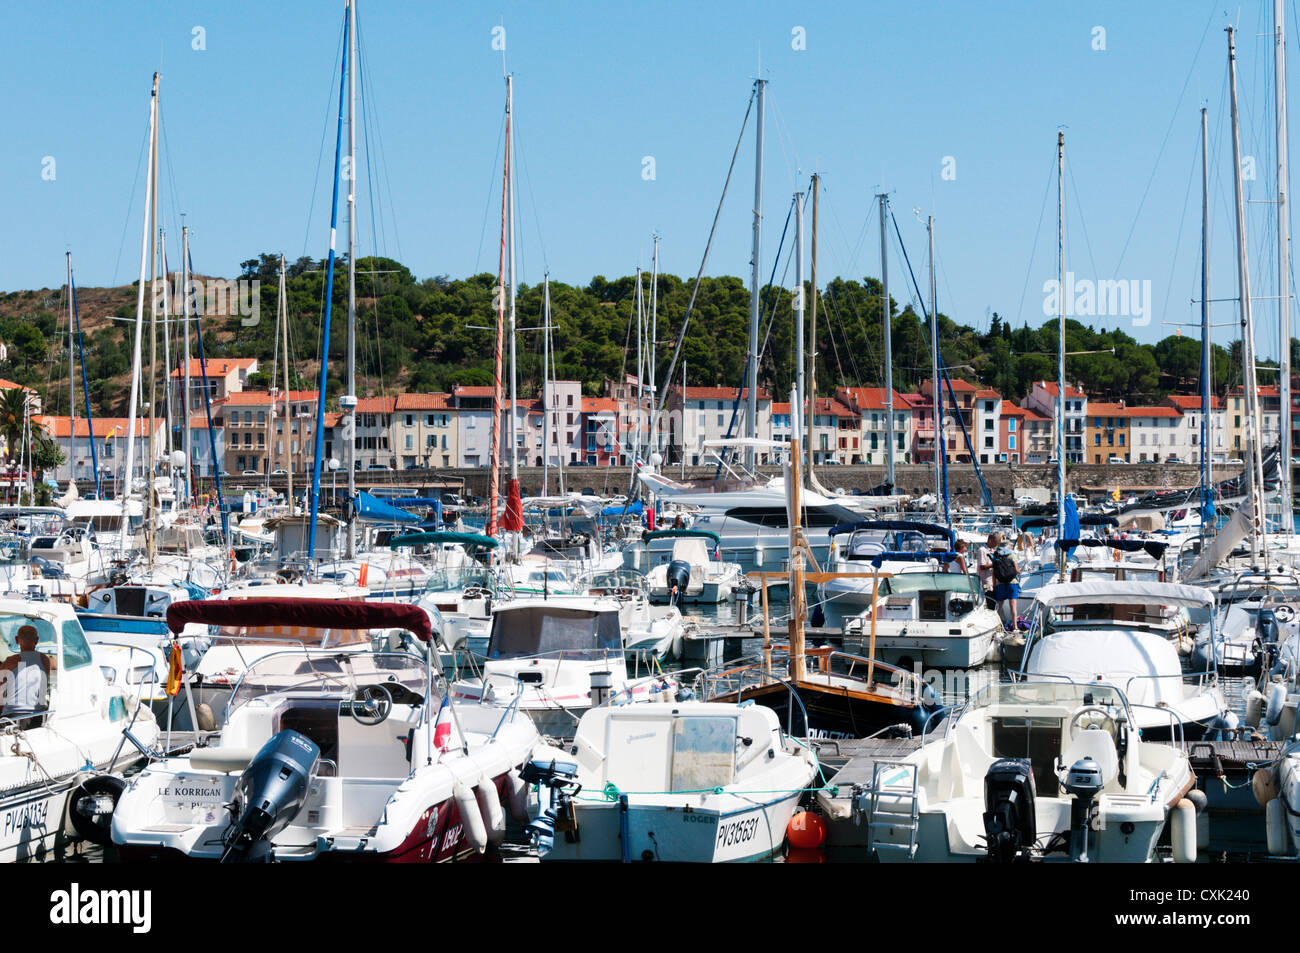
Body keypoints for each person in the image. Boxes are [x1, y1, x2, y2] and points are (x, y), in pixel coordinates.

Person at [0, 625, 54, 728]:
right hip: (37, 716)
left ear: (16, 640)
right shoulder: (45, 660)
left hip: (13, 717)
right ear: (37, 640)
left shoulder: (10, 661)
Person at [991, 541, 1020, 631]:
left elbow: (994, 573)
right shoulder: (1012, 555)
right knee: (1013, 607)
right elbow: (1016, 570)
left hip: (1000, 584)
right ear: (1008, 546)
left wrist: (994, 586)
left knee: (998, 607)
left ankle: (995, 626)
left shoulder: (996, 556)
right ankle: (1015, 627)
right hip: (1012, 583)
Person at [976, 532, 1000, 609]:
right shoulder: (982, 550)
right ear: (990, 540)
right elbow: (982, 566)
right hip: (986, 582)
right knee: (989, 605)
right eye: (995, 543)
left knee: (993, 604)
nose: (996, 545)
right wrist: (995, 564)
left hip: (992, 582)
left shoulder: (992, 550)